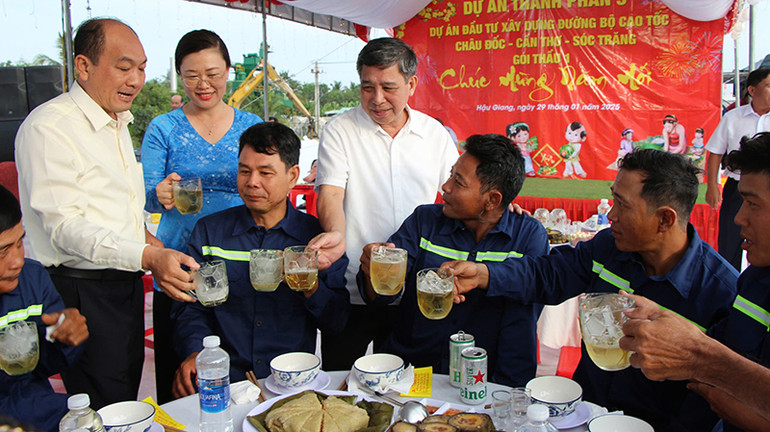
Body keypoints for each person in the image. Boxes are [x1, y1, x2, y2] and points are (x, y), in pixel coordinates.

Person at [444, 149, 738, 431]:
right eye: (613, 199)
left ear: (664, 219)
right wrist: (484, 274)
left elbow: (709, 401)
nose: (611, 215)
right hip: (587, 415)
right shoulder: (609, 247)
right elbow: (548, 274)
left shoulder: (720, 293)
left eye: (623, 205)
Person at [14, 18, 198, 409]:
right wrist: (148, 256)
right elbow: (65, 227)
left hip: (121, 285)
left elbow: (115, 211)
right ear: (83, 66)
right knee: (104, 404)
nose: (136, 80)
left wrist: (151, 245)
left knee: (125, 392)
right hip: (81, 290)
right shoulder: (50, 128)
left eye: (142, 68)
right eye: (124, 67)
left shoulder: (115, 122)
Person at [309, 37, 458, 370]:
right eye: (367, 87)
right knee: (342, 382)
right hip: (353, 287)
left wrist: (499, 211)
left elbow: (457, 192)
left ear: (411, 84)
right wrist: (335, 234)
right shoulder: (340, 130)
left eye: (388, 87)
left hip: (415, 289)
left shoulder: (433, 134)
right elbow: (331, 192)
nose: (377, 99)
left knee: (409, 385)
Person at [171, 122, 349, 397]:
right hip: (224, 381)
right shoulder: (210, 233)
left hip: (291, 386)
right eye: (244, 171)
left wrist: (308, 284)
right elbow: (191, 305)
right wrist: (195, 351)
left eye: (265, 173)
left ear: (293, 176)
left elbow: (336, 322)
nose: (252, 182)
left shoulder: (317, 241)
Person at [358, 134, 546, 386]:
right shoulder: (424, 221)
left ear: (492, 200)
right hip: (412, 372)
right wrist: (373, 271)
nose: (445, 187)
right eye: (450, 175)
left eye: (458, 182)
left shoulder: (527, 237)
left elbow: (522, 320)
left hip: (483, 380)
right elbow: (383, 296)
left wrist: (505, 391)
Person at [141, 29, 262, 402]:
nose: (203, 84)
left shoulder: (250, 125)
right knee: (182, 373)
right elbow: (144, 198)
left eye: (213, 73)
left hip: (240, 257)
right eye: (191, 75)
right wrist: (158, 194)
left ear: (228, 71)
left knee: (243, 369)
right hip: (181, 262)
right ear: (180, 75)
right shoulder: (163, 127)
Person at [621, 132, 770, 432]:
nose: (739, 218)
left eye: (753, 204)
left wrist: (702, 359)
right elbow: (723, 346)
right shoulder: (755, 279)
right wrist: (665, 324)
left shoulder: (721, 282)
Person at [0, 185, 89, 432]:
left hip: (30, 406)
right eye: (2, 252)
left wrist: (64, 338)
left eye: (19, 243)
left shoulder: (32, 279)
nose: (17, 261)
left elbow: (42, 366)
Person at [706, 67, 770, 271]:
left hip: (768, 192)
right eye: (769, 85)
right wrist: (712, 186)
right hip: (737, 189)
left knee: (764, 241)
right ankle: (728, 282)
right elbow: (715, 152)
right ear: (752, 90)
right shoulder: (733, 117)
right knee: (730, 241)